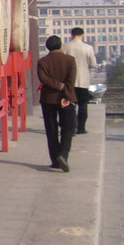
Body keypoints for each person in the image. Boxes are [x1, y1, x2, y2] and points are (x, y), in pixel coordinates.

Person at [37, 35, 77, 172]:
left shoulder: (42, 62)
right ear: (60, 45)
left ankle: (55, 160)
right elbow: (71, 81)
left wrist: (58, 86)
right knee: (68, 128)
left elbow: (43, 79)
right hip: (66, 99)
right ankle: (64, 155)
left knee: (51, 129)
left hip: (48, 99)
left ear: (47, 47)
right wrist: (66, 93)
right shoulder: (70, 60)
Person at [63, 27, 98, 134]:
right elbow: (93, 64)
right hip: (83, 81)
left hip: (69, 81)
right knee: (83, 106)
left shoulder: (65, 46)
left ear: (71, 35)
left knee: (70, 106)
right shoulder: (88, 48)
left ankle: (71, 128)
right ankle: (81, 128)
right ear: (82, 35)